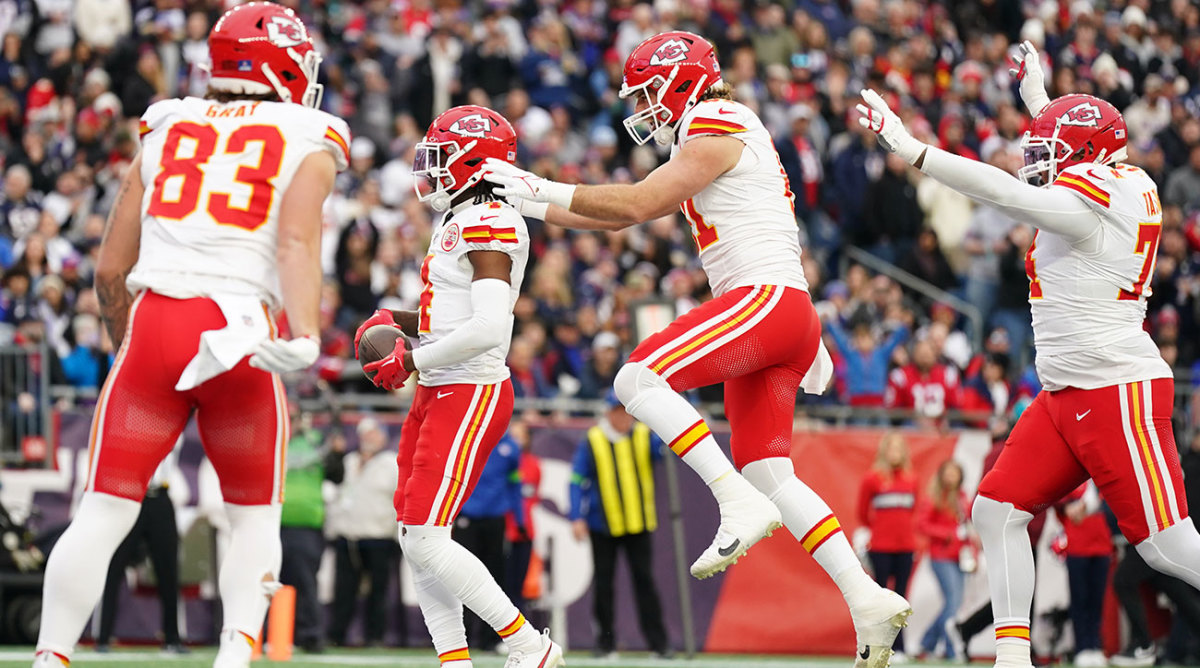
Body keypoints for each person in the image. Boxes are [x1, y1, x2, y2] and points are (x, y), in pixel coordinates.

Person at [486, 31, 911, 668]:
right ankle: (865, 597)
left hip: (764, 301)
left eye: (648, 91)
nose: (644, 108)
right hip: (781, 311)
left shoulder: (718, 120)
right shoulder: (718, 127)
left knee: (635, 378)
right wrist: (530, 202)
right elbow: (613, 214)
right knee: (771, 472)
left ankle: (730, 499)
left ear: (682, 80)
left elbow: (636, 203)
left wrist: (536, 184)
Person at [856, 39, 1200, 668]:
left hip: (1114, 386)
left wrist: (913, 151)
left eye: (1050, 151)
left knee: (1169, 548)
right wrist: (1038, 97)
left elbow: (1008, 196)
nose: (1038, 161)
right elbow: (1077, 147)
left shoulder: (1092, 202)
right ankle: (1013, 661)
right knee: (997, 510)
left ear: (1084, 156)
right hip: (1067, 389)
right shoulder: (1114, 173)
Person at [34, 4, 347, 668]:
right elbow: (294, 240)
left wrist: (132, 345)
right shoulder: (309, 133)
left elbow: (110, 268)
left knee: (104, 510)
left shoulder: (168, 123)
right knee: (255, 518)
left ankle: (50, 656)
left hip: (156, 319)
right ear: (284, 65)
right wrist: (309, 333)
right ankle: (232, 658)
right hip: (240, 331)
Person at [353, 105, 563, 668]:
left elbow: (490, 328)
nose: (434, 169)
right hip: (442, 388)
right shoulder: (463, 216)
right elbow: (450, 316)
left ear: (475, 161)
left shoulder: (489, 219)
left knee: (425, 537)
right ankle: (455, 661)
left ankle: (529, 647)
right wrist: (396, 320)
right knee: (413, 535)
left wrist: (414, 358)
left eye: (442, 157)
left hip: (468, 389)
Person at [568, 392, 670, 658]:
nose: (623, 417)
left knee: (645, 583)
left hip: (639, 523)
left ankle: (659, 645)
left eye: (626, 411)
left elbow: (665, 453)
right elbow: (577, 479)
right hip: (603, 525)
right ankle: (605, 644)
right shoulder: (593, 439)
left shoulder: (644, 435)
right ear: (607, 413)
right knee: (604, 585)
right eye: (617, 411)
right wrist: (576, 516)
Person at [96, 445, 186, 654]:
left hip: (160, 497)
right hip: (131, 495)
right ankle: (103, 637)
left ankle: (172, 638)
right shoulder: (136, 421)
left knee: (169, 571)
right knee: (115, 567)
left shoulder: (175, 422)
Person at [326, 417, 400, 648]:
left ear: (383, 436)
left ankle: (375, 636)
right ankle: (337, 635)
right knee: (344, 590)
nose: (369, 438)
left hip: (379, 536)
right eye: (365, 433)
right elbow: (336, 494)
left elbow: (400, 500)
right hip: (348, 536)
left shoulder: (391, 463)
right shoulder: (348, 462)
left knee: (378, 591)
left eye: (373, 433)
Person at [279, 406, 346, 654]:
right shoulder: (272, 439)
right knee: (263, 582)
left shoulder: (316, 442)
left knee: (306, 583)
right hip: (270, 522)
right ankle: (260, 634)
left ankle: (310, 637)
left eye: (295, 417)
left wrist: (338, 454)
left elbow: (336, 476)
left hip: (306, 525)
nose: (293, 422)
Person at [454, 428, 525, 650]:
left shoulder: (510, 447)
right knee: (461, 577)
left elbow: (514, 484)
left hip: (495, 519)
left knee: (494, 578)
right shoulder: (465, 438)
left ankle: (491, 638)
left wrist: (520, 519)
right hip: (467, 517)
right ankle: (458, 639)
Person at [855, 432, 917, 660]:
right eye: (891, 448)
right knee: (881, 597)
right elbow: (862, 513)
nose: (895, 453)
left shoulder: (912, 478)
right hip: (880, 547)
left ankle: (899, 647)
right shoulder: (873, 478)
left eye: (899, 448)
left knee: (901, 597)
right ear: (884, 451)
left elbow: (912, 509)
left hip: (906, 547)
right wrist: (878, 531)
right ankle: (877, 647)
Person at [916, 460, 971, 661]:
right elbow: (922, 524)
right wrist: (946, 534)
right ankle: (949, 647)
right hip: (941, 556)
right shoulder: (934, 497)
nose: (951, 477)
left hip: (960, 557)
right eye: (948, 473)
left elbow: (967, 525)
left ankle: (928, 643)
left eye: (954, 473)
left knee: (954, 603)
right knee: (953, 601)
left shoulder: (963, 498)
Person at [1054, 482, 1112, 668]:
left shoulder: (1100, 479)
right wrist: (1070, 508)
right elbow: (1058, 500)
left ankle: (1095, 645)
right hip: (1077, 546)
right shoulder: (1072, 477)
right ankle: (1082, 647)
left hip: (1102, 544)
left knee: (1097, 599)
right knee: (1080, 600)